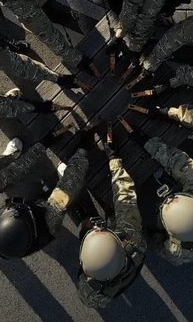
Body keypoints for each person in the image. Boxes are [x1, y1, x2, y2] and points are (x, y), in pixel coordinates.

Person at [119, 119, 193, 265]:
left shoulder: (175, 252)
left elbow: (159, 246)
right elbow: (178, 160)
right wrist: (146, 142)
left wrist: (156, 236)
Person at [0, 128, 96, 258]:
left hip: (28, 224)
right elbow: (71, 183)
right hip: (42, 223)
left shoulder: (1, 238)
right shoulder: (47, 222)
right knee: (64, 195)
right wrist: (83, 150)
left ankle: (8, 159)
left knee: (3, 178)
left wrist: (43, 144)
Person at [76, 123, 146, 308]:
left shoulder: (92, 293)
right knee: (118, 212)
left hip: (115, 259)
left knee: (85, 222)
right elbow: (124, 194)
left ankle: (87, 216)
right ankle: (108, 218)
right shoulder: (133, 239)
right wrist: (113, 157)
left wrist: (88, 229)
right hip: (122, 252)